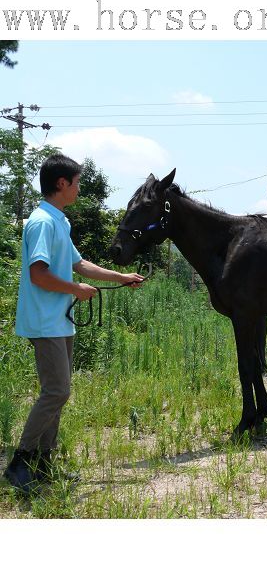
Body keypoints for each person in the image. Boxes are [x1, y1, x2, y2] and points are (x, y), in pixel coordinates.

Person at [3, 153, 144, 494]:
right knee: (57, 391)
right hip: (45, 321)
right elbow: (38, 274)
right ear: (61, 184)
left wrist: (121, 276)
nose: (79, 189)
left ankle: (44, 463)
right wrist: (75, 290)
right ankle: (21, 463)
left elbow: (80, 264)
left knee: (58, 393)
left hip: (58, 320)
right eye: (77, 183)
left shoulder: (59, 221)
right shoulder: (41, 222)